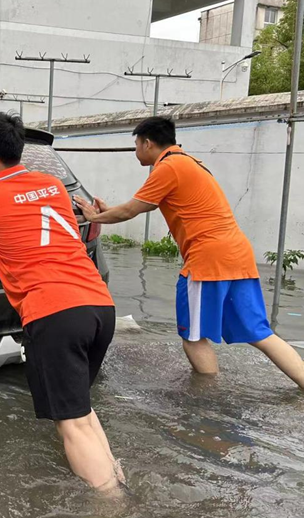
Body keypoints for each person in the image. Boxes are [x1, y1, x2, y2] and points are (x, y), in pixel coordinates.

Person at [0, 113, 123, 491]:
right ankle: (117, 482)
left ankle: (111, 515)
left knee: (71, 423)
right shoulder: (54, 185)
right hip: (98, 306)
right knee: (83, 413)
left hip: (53, 312)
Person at [74, 117, 304, 389]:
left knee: (193, 336)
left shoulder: (169, 167)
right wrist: (108, 211)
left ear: (148, 143)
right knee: (260, 333)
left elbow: (131, 210)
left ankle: (207, 406)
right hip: (239, 255)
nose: (136, 151)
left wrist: (95, 216)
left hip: (208, 259)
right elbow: (137, 207)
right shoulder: (193, 164)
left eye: (136, 145)